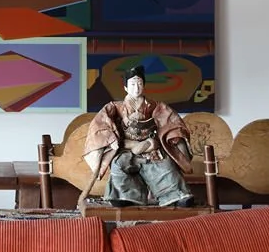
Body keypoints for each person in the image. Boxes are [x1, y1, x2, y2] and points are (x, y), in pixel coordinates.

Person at [82, 66, 194, 207]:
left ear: (144, 85)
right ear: (125, 88)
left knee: (165, 166)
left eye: (140, 83)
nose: (136, 88)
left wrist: (174, 135)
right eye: (133, 84)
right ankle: (124, 197)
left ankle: (176, 195)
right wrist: (111, 140)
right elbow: (100, 124)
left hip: (151, 147)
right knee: (119, 166)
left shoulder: (155, 106)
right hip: (126, 147)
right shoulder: (115, 107)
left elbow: (171, 122)